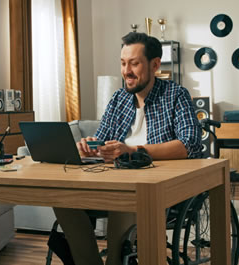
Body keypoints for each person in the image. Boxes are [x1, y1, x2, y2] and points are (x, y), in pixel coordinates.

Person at [53, 32, 203, 265]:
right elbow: (101, 140)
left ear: (154, 65)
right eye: (123, 63)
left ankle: (115, 261)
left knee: (125, 196)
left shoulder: (175, 95)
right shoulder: (118, 99)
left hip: (158, 189)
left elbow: (190, 144)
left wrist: (133, 150)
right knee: (62, 198)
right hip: (111, 182)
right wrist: (88, 146)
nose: (126, 71)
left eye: (134, 63)